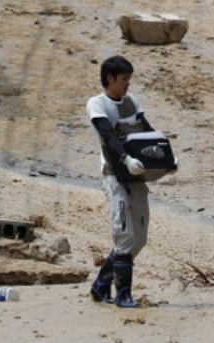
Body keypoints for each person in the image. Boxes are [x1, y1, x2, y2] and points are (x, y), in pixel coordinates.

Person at [86, 55, 155, 308]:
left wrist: (164, 156)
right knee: (124, 235)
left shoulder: (129, 102)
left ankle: (101, 284)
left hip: (137, 175)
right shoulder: (97, 104)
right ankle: (123, 295)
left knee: (139, 239)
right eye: (124, 79)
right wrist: (126, 160)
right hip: (115, 174)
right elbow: (108, 135)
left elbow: (146, 130)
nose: (127, 84)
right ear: (110, 78)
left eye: (129, 79)